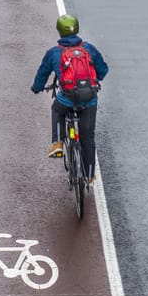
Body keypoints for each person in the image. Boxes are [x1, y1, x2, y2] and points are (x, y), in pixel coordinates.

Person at [30, 13, 109, 185]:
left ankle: (58, 143)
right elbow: (103, 71)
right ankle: (89, 175)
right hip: (89, 99)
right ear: (77, 28)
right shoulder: (89, 49)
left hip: (67, 99)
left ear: (59, 31)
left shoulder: (53, 53)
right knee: (87, 137)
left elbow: (42, 75)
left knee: (57, 109)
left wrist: (37, 88)